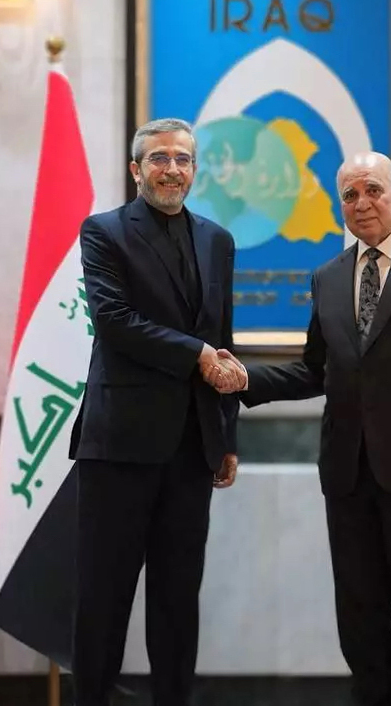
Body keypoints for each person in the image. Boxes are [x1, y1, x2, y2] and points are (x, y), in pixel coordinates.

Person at [216, 151, 391, 706]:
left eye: (372, 190)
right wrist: (245, 378)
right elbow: (317, 369)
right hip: (347, 476)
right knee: (359, 614)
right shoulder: (328, 276)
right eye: (349, 195)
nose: (361, 203)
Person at [68, 117, 247, 706]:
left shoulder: (217, 240)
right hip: (118, 447)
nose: (173, 169)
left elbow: (223, 340)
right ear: (135, 168)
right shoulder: (104, 232)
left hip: (191, 451)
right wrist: (195, 353)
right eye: (160, 158)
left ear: (195, 169)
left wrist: (225, 435)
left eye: (183, 159)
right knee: (104, 599)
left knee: (177, 602)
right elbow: (115, 323)